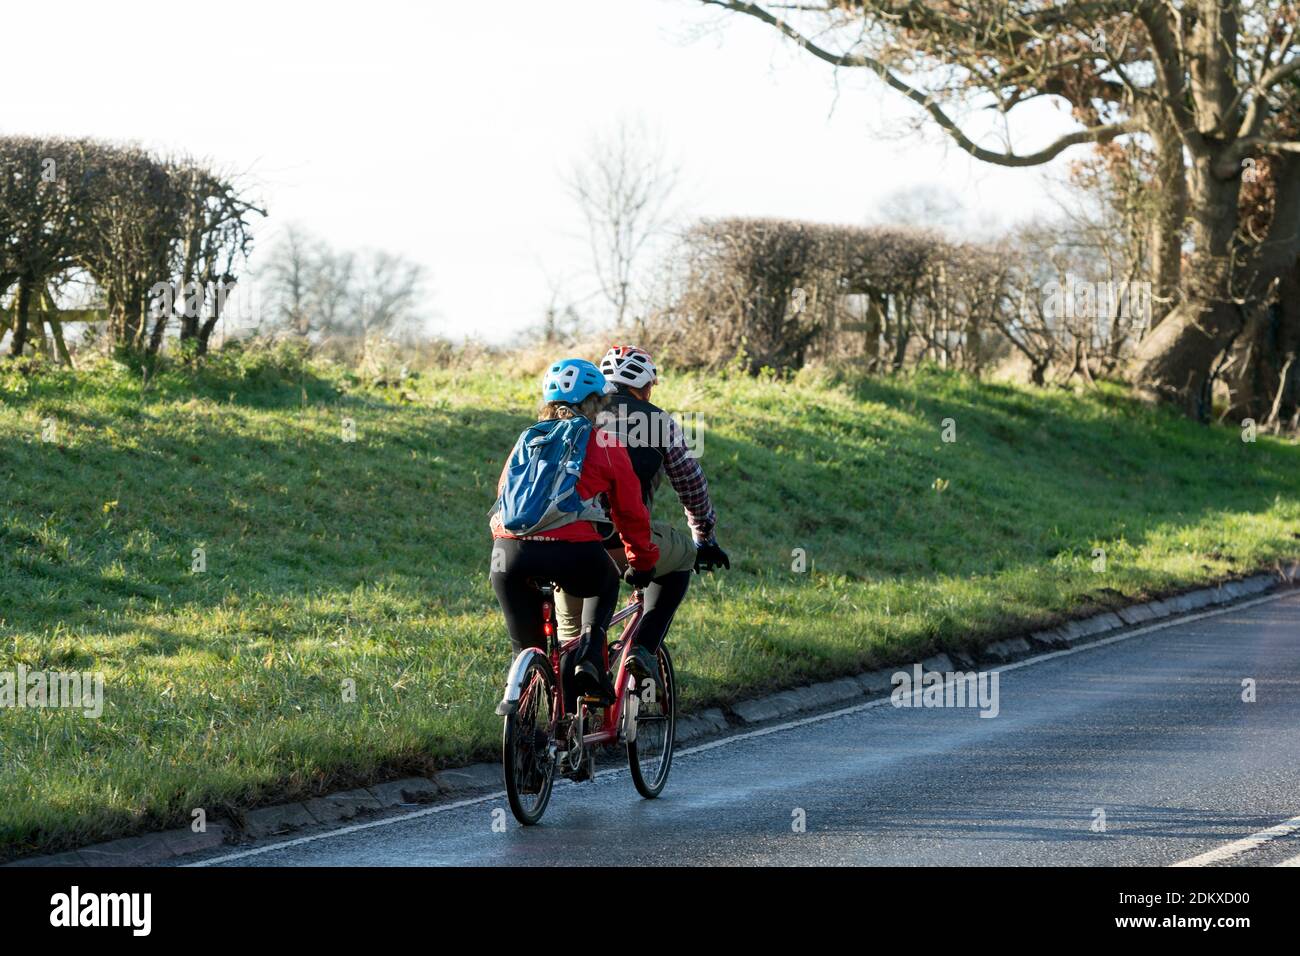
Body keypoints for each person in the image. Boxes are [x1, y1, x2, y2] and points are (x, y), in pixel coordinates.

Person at [489, 357, 659, 703]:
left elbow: (505, 495)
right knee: (605, 581)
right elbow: (631, 513)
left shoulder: (527, 439)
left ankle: (528, 728)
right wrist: (641, 560)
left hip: (508, 556)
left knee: (528, 648)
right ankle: (589, 658)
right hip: (572, 551)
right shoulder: (604, 442)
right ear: (594, 402)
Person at [555, 345, 728, 679]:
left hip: (564, 541)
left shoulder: (576, 417)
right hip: (621, 543)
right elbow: (692, 486)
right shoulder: (659, 422)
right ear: (645, 386)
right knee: (681, 556)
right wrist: (704, 536)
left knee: (571, 637)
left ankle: (566, 725)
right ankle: (643, 648)